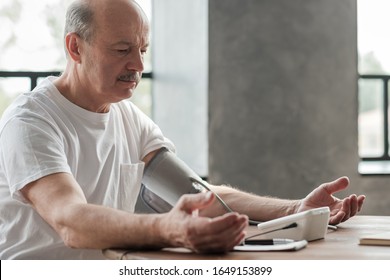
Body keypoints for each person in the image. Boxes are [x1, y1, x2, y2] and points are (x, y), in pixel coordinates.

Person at [0, 0, 365, 260]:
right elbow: (71, 221)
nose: (138, 64)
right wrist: (169, 229)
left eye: (143, 49)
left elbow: (197, 195)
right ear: (75, 47)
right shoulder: (31, 122)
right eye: (123, 49)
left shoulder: (129, 119)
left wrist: (295, 209)